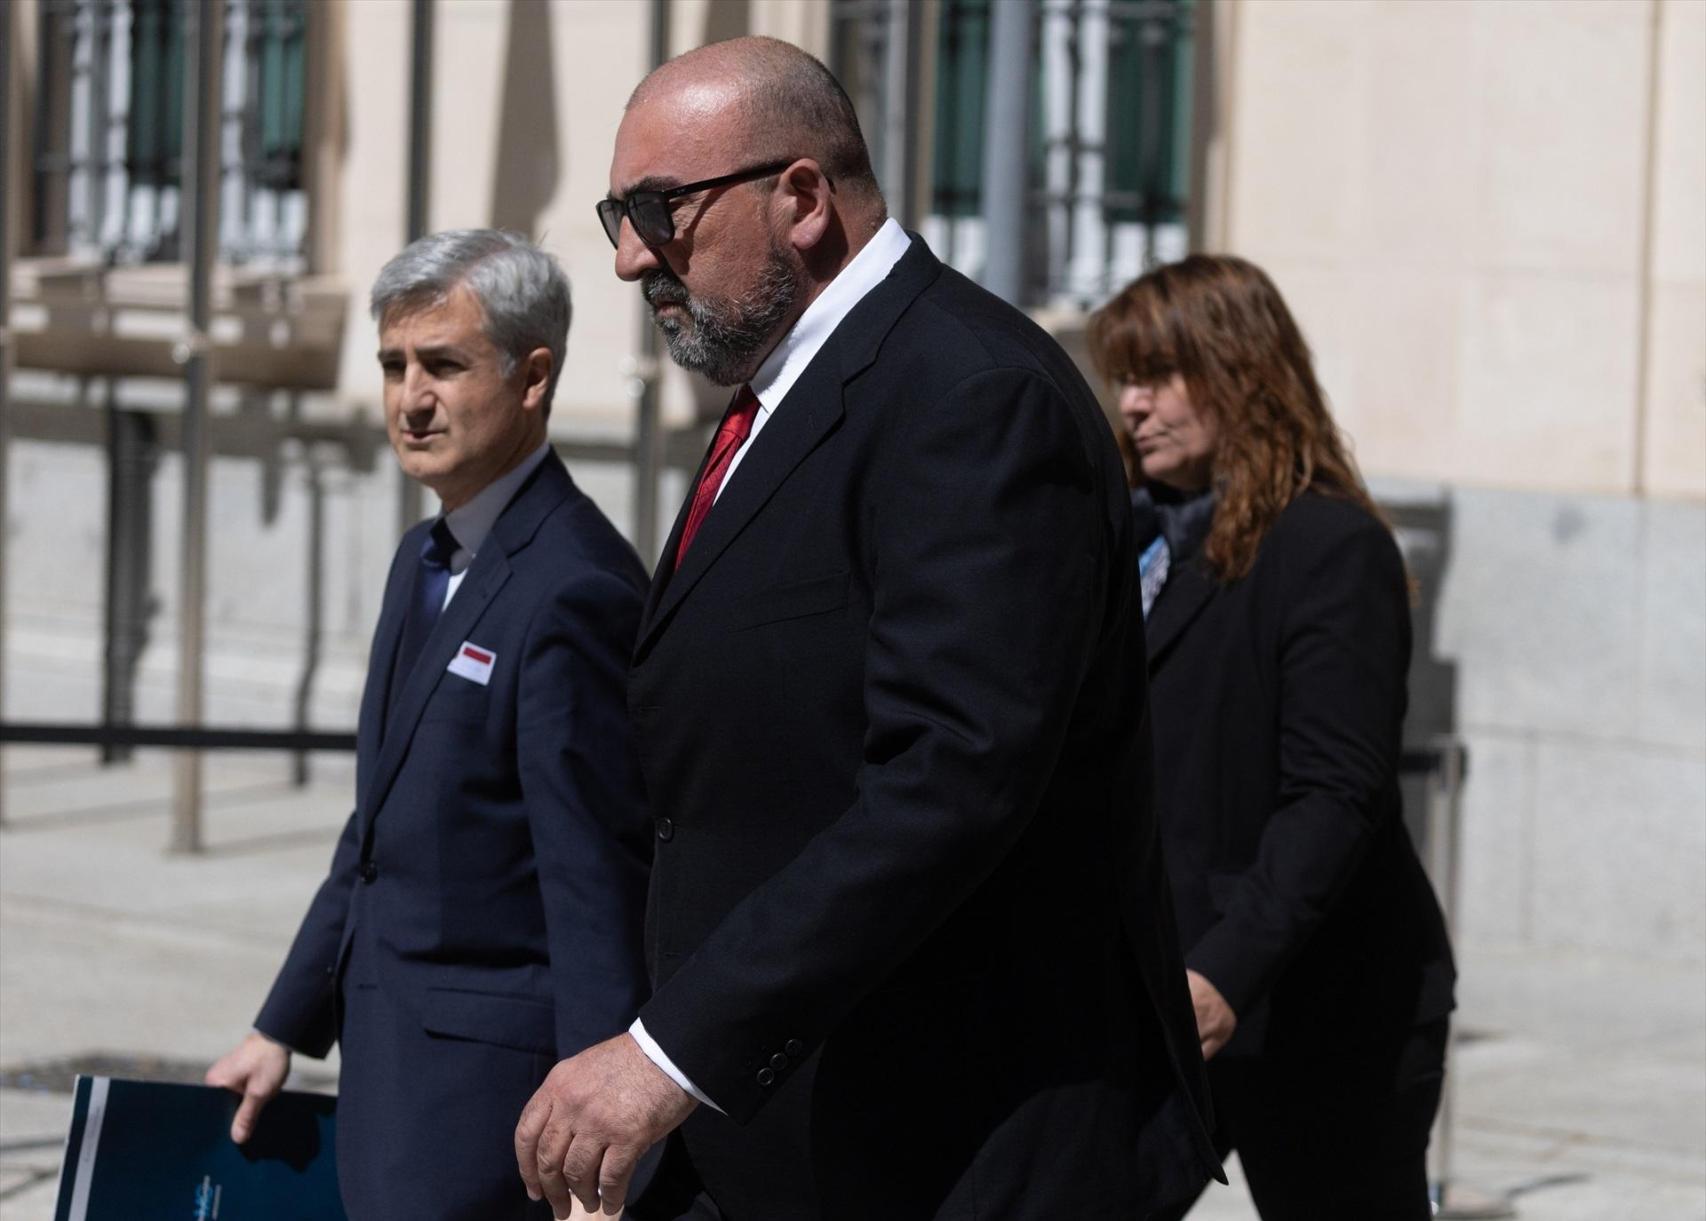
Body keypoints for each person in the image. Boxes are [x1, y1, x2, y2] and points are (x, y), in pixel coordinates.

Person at [512, 36, 1219, 1221]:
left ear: (798, 198)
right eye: (614, 216)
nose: (633, 258)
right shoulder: (784, 397)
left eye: (658, 210)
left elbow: (948, 781)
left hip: (952, 1145)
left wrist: (670, 1053)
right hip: (795, 1133)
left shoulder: (968, 394)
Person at [205, 230, 652, 1221]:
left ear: (532, 377)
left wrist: (600, 1151)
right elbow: (376, 831)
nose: (411, 399)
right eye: (393, 366)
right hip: (389, 1068)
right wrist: (282, 1024)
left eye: (443, 366)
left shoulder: (573, 588)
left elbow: (594, 887)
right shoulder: (425, 555)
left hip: (487, 1105)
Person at [1087, 255, 1456, 1221]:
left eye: (1160, 375)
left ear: (1242, 372)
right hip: (1163, 998)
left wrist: (1223, 971)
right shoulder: (1129, 538)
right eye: (1124, 377)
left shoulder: (1329, 547)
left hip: (1323, 1009)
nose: (1132, 404)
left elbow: (1336, 794)